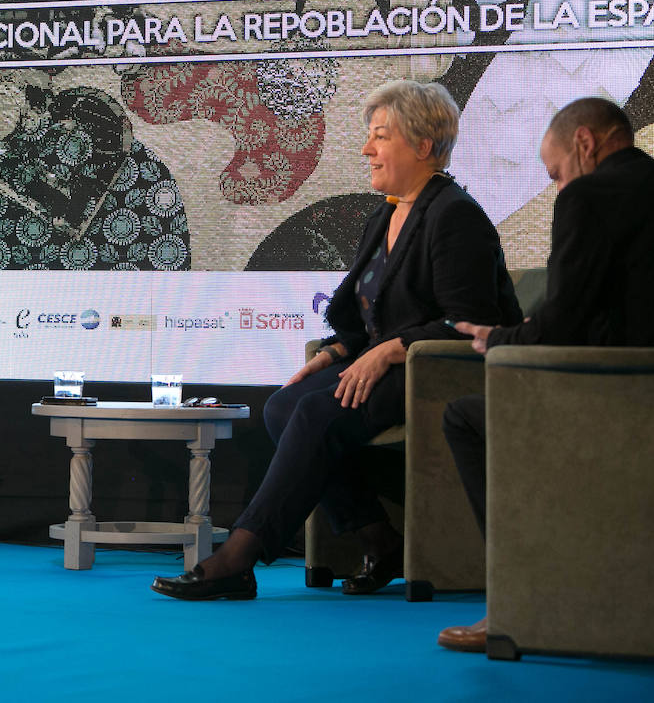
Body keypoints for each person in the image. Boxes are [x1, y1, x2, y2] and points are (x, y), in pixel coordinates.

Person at [153, 80, 521, 601]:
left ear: (422, 146)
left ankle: (239, 556)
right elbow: (369, 320)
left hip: (436, 371)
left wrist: (389, 351)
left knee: (313, 415)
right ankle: (379, 539)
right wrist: (336, 352)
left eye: (380, 137)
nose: (367, 149)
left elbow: (471, 320)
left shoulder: (455, 215)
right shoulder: (385, 215)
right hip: (392, 364)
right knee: (283, 407)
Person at [437, 97, 654, 651]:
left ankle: (518, 600)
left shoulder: (590, 196)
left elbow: (561, 324)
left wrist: (498, 338)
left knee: (464, 416)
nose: (557, 188)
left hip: (618, 402)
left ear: (585, 143)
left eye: (554, 174)